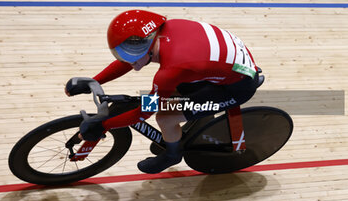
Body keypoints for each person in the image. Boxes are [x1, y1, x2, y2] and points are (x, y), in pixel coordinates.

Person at [65, 9, 259, 174]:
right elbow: (132, 60)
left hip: (235, 88)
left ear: (147, 43)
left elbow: (144, 113)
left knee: (165, 117)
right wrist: (94, 80)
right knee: (169, 95)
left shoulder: (171, 69)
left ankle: (173, 155)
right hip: (222, 66)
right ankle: (190, 120)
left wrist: (104, 125)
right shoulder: (166, 29)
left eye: (130, 55)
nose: (128, 61)